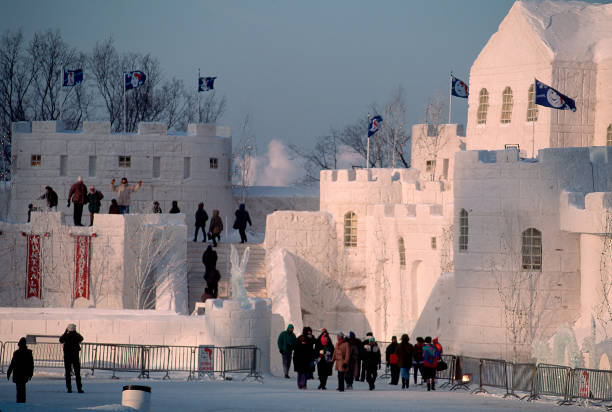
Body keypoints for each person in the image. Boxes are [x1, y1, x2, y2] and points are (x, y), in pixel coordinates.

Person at [7, 337, 34, 403]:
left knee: (19, 389)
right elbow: (31, 365)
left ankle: (19, 400)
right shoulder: (28, 353)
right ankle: (22, 400)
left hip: (17, 374)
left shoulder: (16, 353)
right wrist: (30, 374)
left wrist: (9, 372)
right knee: (23, 388)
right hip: (24, 374)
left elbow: (12, 364)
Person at [59, 323, 84, 393]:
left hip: (67, 356)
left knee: (67, 373)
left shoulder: (66, 336)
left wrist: (65, 332)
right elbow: (81, 338)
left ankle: (69, 388)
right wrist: (75, 332)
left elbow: (61, 340)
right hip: (75, 356)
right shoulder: (76, 336)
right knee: (77, 373)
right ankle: (79, 388)